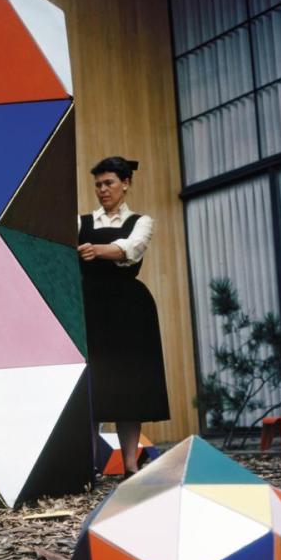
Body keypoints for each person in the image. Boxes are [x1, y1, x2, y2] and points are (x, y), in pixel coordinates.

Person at [77, 156, 169, 478]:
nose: (103, 190)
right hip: (89, 307)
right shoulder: (81, 221)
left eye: (109, 183)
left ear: (125, 183)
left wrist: (97, 250)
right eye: (98, 185)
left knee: (128, 385)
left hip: (129, 309)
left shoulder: (142, 221)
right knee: (91, 385)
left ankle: (130, 465)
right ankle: (88, 465)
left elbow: (131, 249)